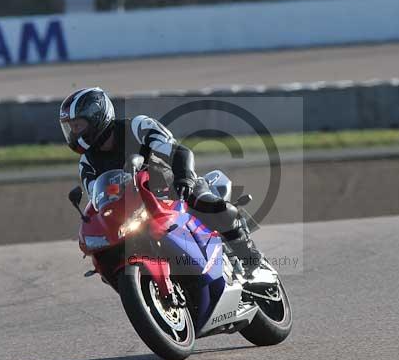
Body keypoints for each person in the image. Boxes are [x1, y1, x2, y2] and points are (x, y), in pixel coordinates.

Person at [59, 87, 263, 276]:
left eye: (77, 125)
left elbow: (178, 151)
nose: (74, 133)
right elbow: (97, 198)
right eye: (70, 128)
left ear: (96, 117)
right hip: (136, 211)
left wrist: (185, 179)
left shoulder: (137, 127)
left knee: (210, 204)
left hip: (175, 188)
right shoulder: (87, 162)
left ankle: (247, 252)